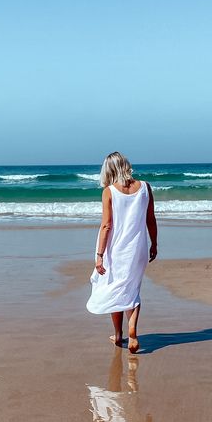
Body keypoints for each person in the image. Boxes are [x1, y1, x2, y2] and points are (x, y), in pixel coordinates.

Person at [86, 151, 158, 353]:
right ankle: (131, 331)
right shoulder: (145, 187)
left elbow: (106, 225)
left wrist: (100, 255)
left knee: (115, 289)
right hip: (138, 249)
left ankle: (119, 335)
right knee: (132, 289)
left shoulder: (109, 191)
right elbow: (150, 219)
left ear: (108, 170)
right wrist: (154, 244)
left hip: (115, 249)